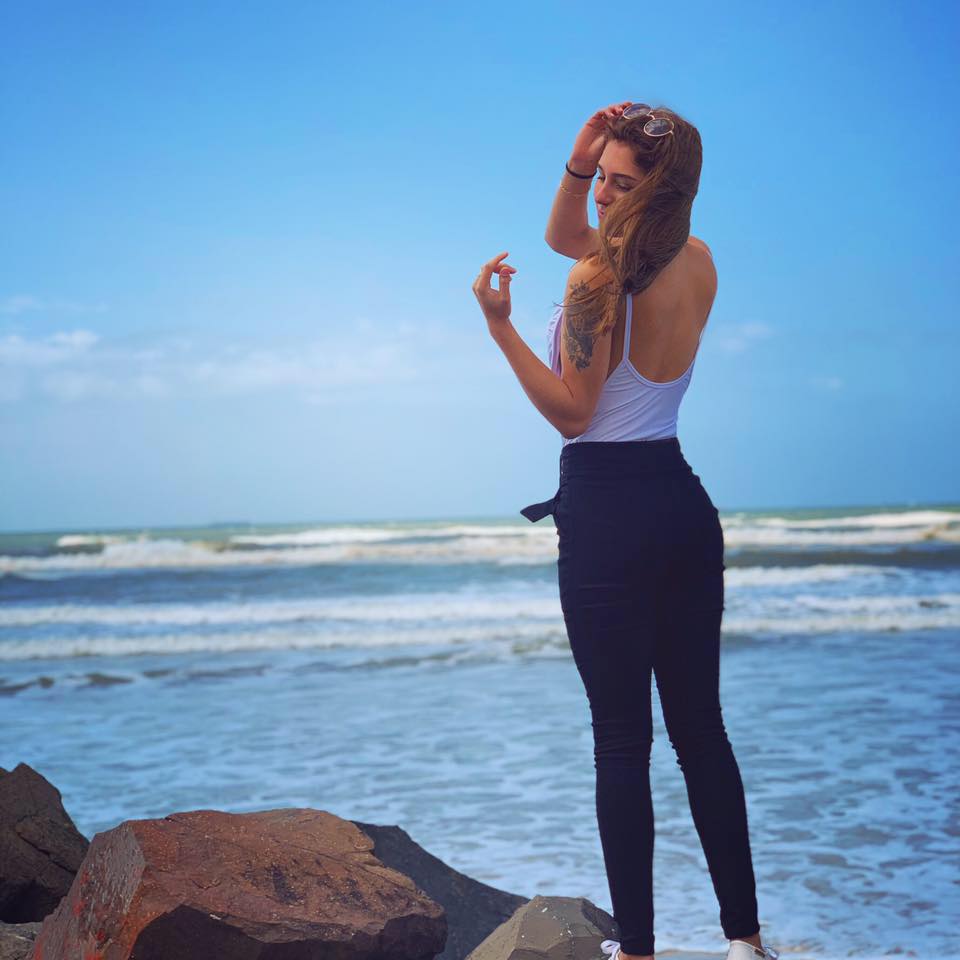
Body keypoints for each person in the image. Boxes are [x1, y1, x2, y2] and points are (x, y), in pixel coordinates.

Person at [472, 102, 779, 960]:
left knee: (620, 744)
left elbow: (574, 413)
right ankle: (746, 943)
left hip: (609, 515)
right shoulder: (697, 259)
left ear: (656, 191)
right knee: (701, 734)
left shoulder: (597, 281)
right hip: (681, 507)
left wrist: (500, 329)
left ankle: (638, 951)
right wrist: (579, 161)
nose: (601, 196)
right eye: (599, 180)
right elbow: (566, 234)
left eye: (618, 183)